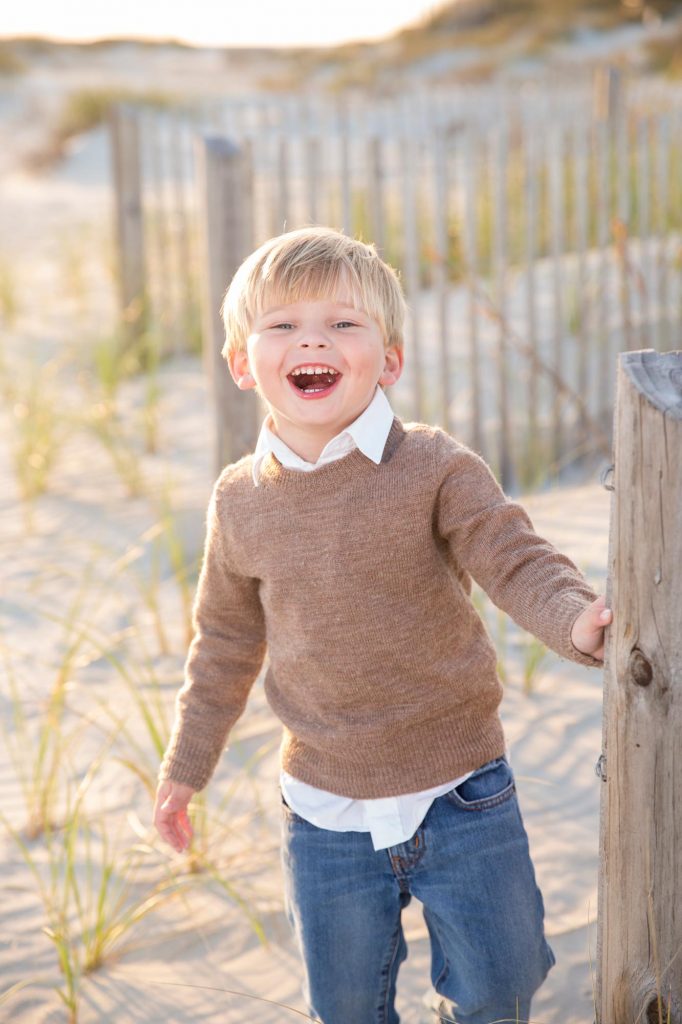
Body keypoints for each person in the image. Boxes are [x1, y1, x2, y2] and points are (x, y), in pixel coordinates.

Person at [153, 226, 611, 1024]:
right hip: (324, 810)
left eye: (342, 323)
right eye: (284, 325)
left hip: (463, 791)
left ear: (389, 360)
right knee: (346, 1005)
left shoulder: (432, 466)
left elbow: (514, 559)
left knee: (503, 984)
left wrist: (576, 621)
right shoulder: (239, 500)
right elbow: (224, 643)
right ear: (241, 363)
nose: (313, 341)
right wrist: (186, 767)